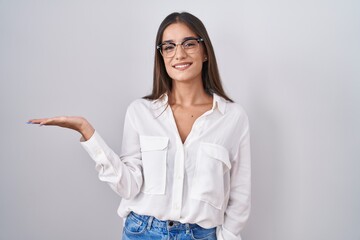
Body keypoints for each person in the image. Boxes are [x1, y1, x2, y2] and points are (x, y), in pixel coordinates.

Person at [28, 12, 251, 240]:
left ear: (205, 52)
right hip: (143, 232)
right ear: (161, 56)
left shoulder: (232, 117)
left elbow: (240, 194)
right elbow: (128, 187)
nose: (179, 54)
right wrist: (87, 131)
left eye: (189, 44)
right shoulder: (140, 112)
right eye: (169, 47)